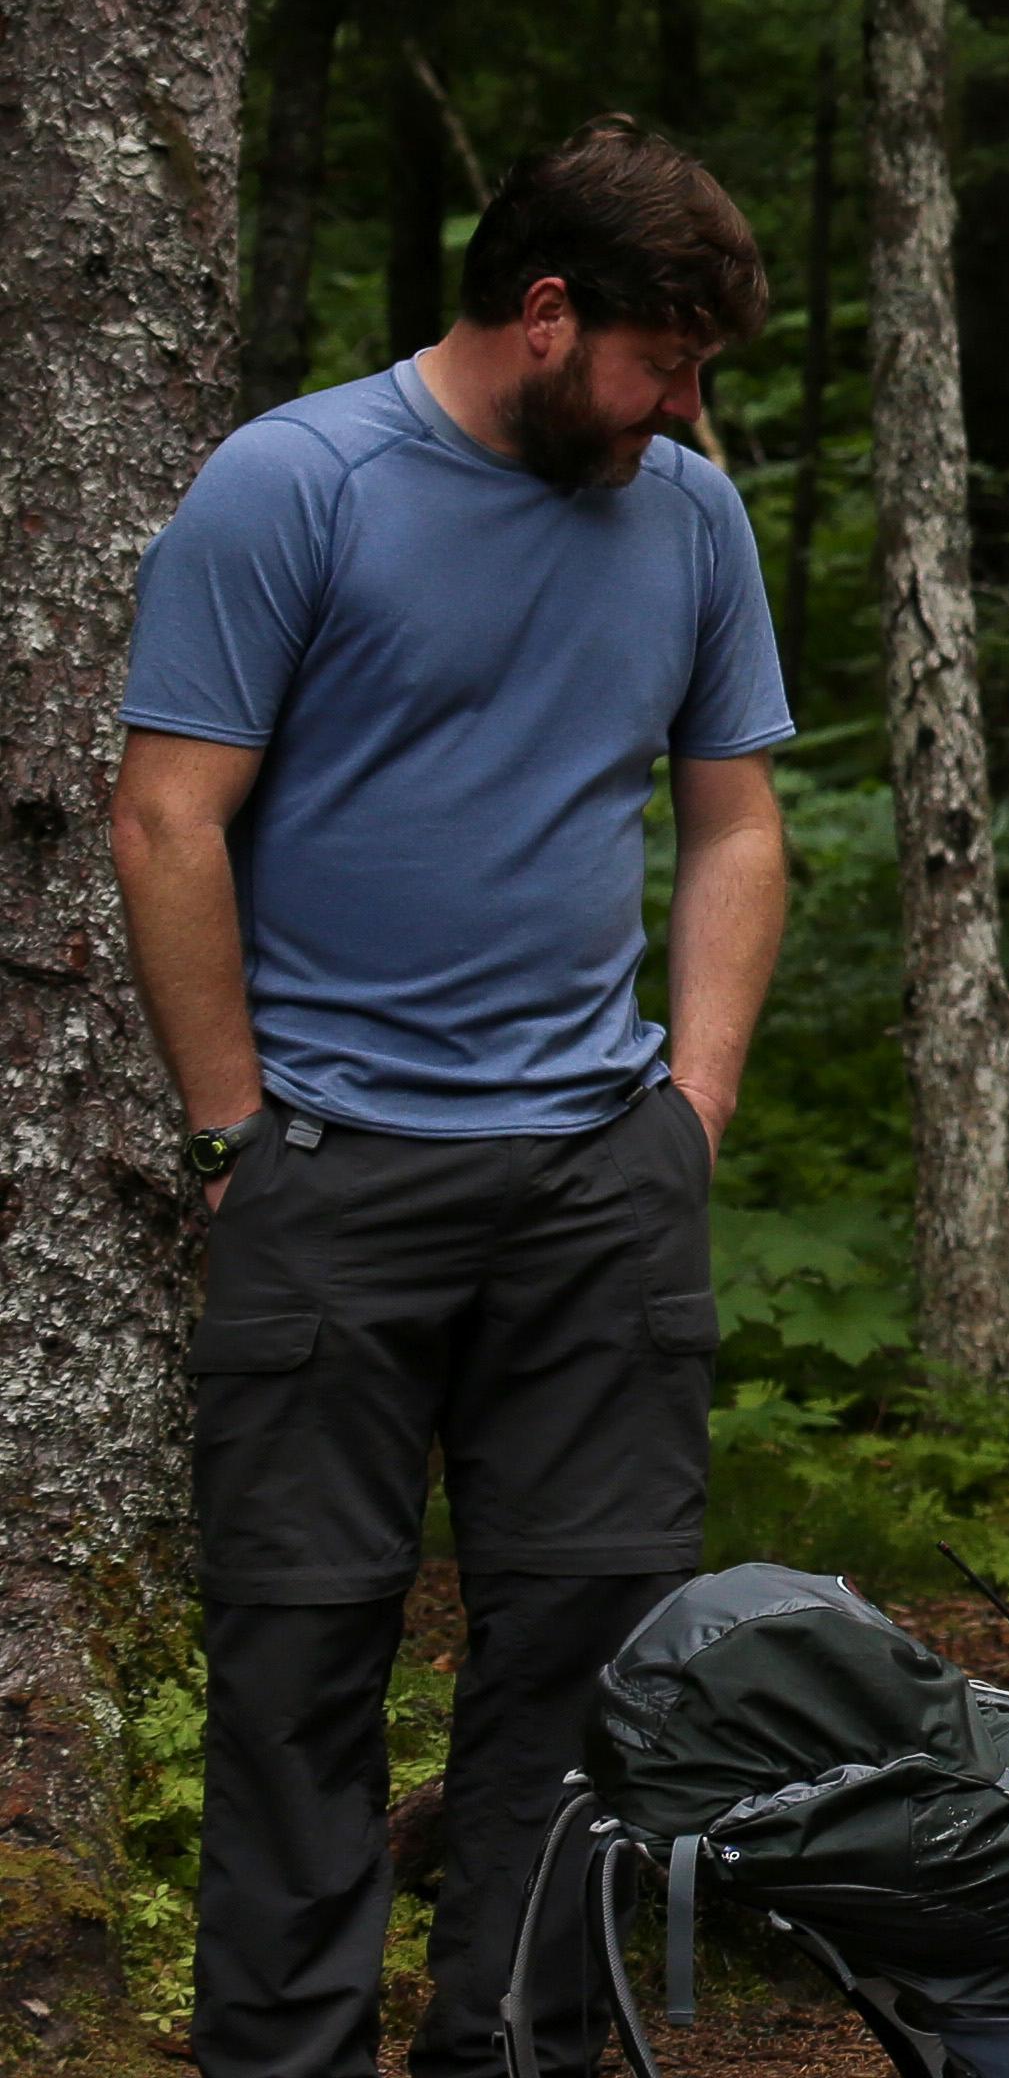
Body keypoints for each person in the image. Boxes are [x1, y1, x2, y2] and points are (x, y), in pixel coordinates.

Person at [114, 121, 794, 2078]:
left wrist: (694, 1112)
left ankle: (512, 2051)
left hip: (597, 1186)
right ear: (546, 312)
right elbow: (172, 816)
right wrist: (241, 1131)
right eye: (667, 361)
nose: (685, 405)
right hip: (332, 1168)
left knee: (583, 1676)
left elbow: (735, 824)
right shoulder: (296, 487)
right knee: (300, 1672)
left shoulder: (688, 519)